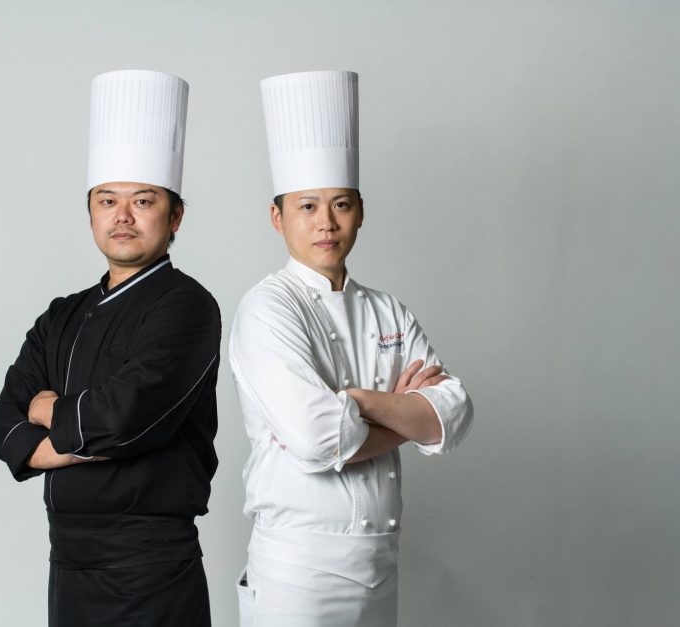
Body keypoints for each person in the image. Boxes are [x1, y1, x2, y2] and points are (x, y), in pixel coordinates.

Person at [230, 70, 474, 626]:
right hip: (297, 571)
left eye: (340, 205)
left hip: (381, 563)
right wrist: (408, 418)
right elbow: (318, 439)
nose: (326, 223)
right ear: (277, 217)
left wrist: (358, 402)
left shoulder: (389, 310)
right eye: (307, 207)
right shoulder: (267, 308)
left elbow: (455, 413)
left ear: (360, 211)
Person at [0, 69, 220, 627]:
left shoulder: (187, 306)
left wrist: (49, 410)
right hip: (68, 566)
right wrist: (72, 433)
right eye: (107, 200)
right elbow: (5, 421)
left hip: (151, 568)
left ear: (175, 215)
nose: (122, 216)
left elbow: (124, 418)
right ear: (90, 211)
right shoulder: (61, 314)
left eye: (143, 200)